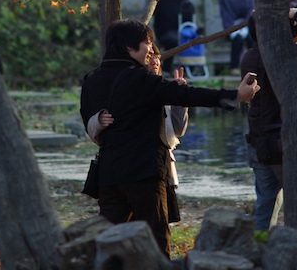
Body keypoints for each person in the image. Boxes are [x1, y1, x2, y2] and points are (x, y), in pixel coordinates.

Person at [80, 18, 259, 257]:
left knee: (108, 242)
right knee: (156, 241)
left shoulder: (91, 80)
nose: (150, 50)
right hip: (144, 172)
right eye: (147, 43)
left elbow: (88, 122)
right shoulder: (141, 79)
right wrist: (236, 96)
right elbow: (187, 95)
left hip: (109, 174)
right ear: (128, 47)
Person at [87, 45, 189, 224]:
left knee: (155, 224)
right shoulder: (126, 87)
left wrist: (180, 97)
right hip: (127, 167)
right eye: (149, 56)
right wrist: (99, 120)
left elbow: (177, 130)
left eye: (156, 57)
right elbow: (97, 129)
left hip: (158, 165)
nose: (154, 61)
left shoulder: (164, 90)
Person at [240, 8, 297, 233]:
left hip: (257, 142)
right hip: (281, 142)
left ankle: (261, 251)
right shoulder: (283, 58)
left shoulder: (249, 56)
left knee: (266, 205)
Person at [153, 0, 195, 75]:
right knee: (172, 41)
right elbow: (162, 20)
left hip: (182, 29)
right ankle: (166, 69)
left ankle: (191, 69)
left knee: (193, 39)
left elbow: (189, 15)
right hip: (166, 31)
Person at [218, 0, 254, 74]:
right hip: (232, 25)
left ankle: (254, 67)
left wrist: (246, 24)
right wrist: (231, 29)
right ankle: (233, 67)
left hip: (247, 23)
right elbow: (226, 13)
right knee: (237, 39)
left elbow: (250, 10)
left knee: (251, 40)